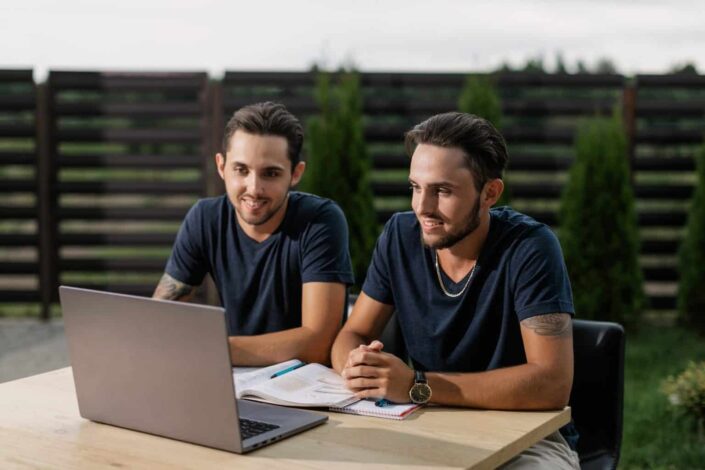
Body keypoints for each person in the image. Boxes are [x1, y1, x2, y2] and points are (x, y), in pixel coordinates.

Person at [331, 112, 580, 468]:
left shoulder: (531, 248)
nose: (422, 207)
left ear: (490, 193)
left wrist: (418, 385)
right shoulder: (399, 237)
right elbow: (354, 331)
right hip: (424, 422)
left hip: (526, 439)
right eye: (416, 187)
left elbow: (551, 383)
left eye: (442, 191)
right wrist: (356, 367)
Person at [154, 102, 354, 366]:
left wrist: (217, 348)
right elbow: (159, 319)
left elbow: (318, 344)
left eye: (270, 173)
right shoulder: (205, 218)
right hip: (234, 382)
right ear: (221, 166)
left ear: (296, 173)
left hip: (304, 389)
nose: (254, 188)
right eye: (241, 170)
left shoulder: (320, 221)